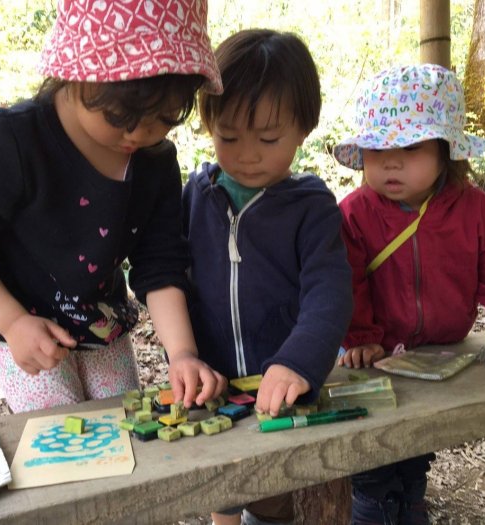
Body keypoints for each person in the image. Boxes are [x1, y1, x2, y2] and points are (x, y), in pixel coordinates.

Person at [0, 0, 227, 414]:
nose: (140, 133)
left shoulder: (154, 163)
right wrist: (12, 323)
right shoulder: (13, 144)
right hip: (16, 318)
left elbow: (160, 263)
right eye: (120, 115)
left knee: (124, 419)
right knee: (59, 428)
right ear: (75, 73)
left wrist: (183, 353)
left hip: (100, 322)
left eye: (165, 117)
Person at [333, 63, 485, 524]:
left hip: (437, 352)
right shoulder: (354, 215)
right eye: (378, 149)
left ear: (447, 152)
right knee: (372, 448)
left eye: (411, 147)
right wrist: (360, 336)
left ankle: (410, 497)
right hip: (372, 353)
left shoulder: (476, 212)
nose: (391, 162)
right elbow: (345, 280)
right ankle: (374, 507)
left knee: (417, 443)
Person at [183, 29, 354, 525]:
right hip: (214, 389)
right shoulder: (195, 196)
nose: (248, 154)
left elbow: (329, 293)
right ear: (208, 125)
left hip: (283, 392)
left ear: (304, 128)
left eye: (269, 138)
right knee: (221, 486)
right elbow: (164, 274)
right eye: (229, 137)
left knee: (272, 491)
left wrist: (298, 363)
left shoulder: (311, 207)